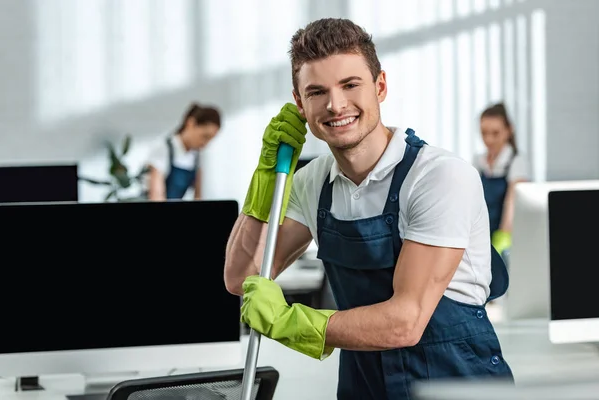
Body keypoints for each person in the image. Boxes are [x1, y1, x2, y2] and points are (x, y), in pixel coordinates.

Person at [224, 18, 513, 399]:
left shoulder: (438, 177)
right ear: (299, 103)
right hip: (365, 387)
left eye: (350, 85)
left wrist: (292, 322)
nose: (335, 104)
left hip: (455, 386)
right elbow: (242, 277)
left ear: (380, 86)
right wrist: (264, 178)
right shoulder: (313, 183)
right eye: (316, 92)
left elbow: (407, 321)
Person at [473, 103, 529, 258]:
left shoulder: (516, 161)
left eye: (495, 133)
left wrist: (502, 237)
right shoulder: (478, 161)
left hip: (505, 237)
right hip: (481, 235)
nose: (489, 139)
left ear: (508, 130)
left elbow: (512, 203)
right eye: (484, 133)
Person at [144, 103, 221, 200]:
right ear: (190, 123)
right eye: (204, 136)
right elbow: (156, 197)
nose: (205, 144)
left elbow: (198, 198)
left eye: (210, 139)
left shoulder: (196, 156)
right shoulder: (163, 148)